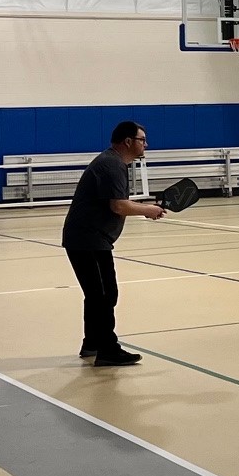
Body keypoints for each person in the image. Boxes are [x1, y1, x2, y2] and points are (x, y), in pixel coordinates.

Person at [62, 121, 166, 367]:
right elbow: (118, 205)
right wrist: (148, 210)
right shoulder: (112, 165)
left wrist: (146, 209)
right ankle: (108, 349)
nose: (146, 144)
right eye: (142, 139)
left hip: (91, 239)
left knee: (99, 294)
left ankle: (92, 343)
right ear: (128, 142)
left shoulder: (115, 163)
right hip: (88, 239)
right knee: (103, 295)